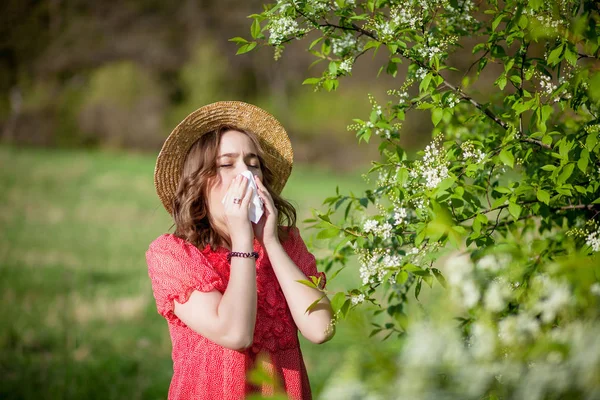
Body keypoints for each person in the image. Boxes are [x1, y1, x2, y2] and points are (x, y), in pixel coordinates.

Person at [145, 101, 335, 400]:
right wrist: (243, 239)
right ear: (200, 179)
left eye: (253, 163)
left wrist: (270, 243)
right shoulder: (173, 254)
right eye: (227, 163)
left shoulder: (285, 244)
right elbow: (236, 334)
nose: (245, 173)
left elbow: (321, 328)